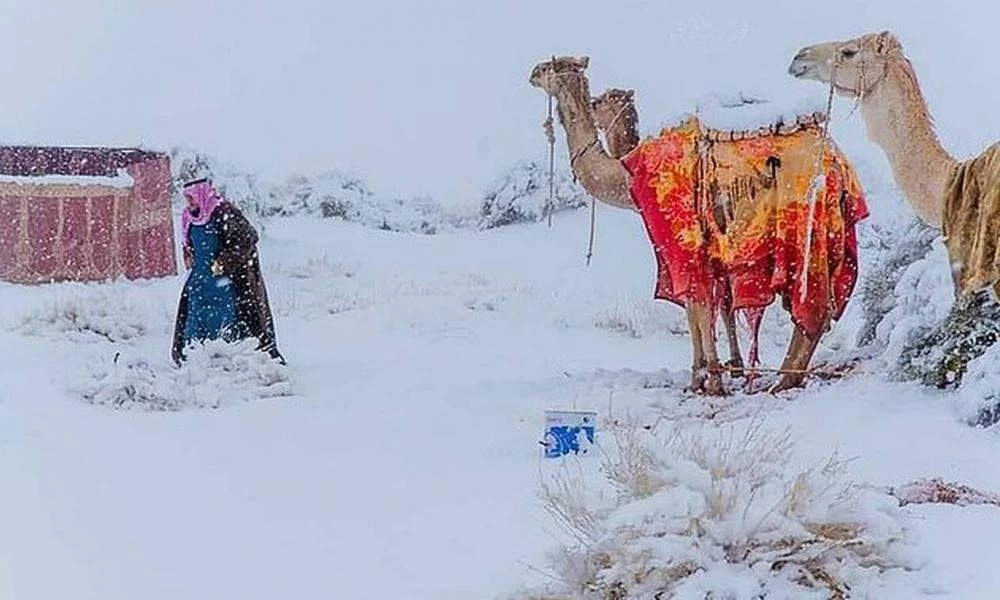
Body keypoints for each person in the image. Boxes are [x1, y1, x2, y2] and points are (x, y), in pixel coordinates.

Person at [171, 178, 284, 366]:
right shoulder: (188, 217)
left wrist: (223, 263)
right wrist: (188, 253)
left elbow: (247, 239)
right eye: (186, 198)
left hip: (222, 280)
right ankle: (193, 357)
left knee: (224, 316)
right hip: (199, 279)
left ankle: (227, 357)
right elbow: (188, 242)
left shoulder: (224, 212)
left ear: (202, 195)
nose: (189, 202)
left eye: (192, 198)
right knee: (195, 316)